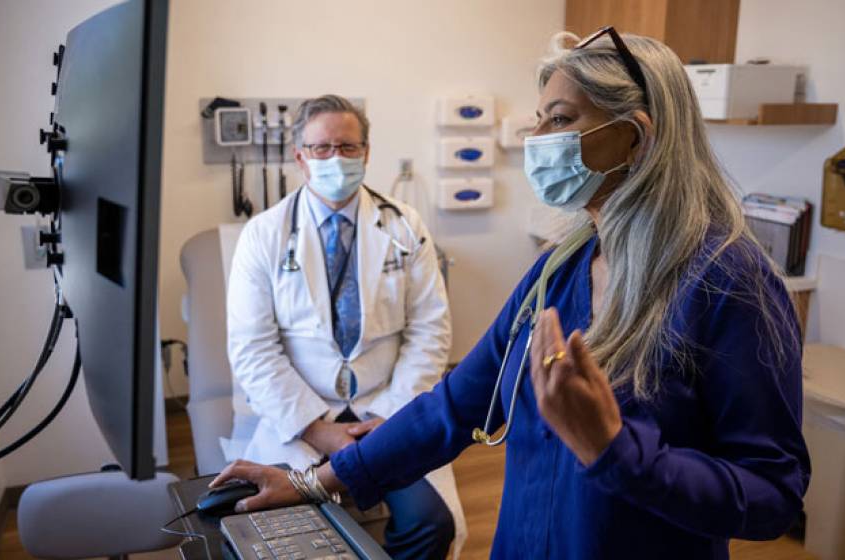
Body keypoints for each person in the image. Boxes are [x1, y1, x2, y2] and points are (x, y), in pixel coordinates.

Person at [214, 30, 811, 559]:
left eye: (558, 119)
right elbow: (457, 404)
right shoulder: (561, 270)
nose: (535, 138)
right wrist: (317, 480)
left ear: (633, 136)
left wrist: (620, 454)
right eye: (539, 118)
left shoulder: (728, 281)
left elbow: (772, 492)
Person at [225, 94, 465, 560]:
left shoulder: (404, 224)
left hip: (386, 409)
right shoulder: (264, 234)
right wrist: (317, 429)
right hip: (303, 417)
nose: (336, 158)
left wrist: (391, 419)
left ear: (367, 152)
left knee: (430, 524)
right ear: (300, 157)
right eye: (321, 148)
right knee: (282, 527)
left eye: (348, 147)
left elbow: (430, 329)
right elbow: (253, 348)